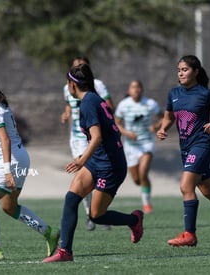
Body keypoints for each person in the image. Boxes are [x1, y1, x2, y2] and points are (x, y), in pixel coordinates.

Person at [44, 64, 144, 263]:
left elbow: (96, 137)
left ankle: (134, 219)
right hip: (99, 160)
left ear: (72, 84)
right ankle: (65, 252)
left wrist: (82, 160)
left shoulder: (88, 103)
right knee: (71, 199)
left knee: (97, 215)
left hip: (110, 166)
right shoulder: (94, 99)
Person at [0, 72, 60, 262]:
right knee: (9, 206)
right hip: (21, 158)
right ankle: (49, 233)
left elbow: (4, 139)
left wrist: (7, 170)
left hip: (11, 161)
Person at [157, 55, 210, 246]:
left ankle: (189, 235)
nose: (181, 73)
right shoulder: (173, 93)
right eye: (179, 70)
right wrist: (163, 128)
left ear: (196, 71)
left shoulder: (206, 94)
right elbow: (169, 117)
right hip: (185, 148)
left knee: (185, 187)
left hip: (202, 145)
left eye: (185, 69)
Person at [61, 56, 114, 231]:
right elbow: (69, 105)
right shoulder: (67, 87)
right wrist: (67, 113)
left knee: (95, 174)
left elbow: (108, 106)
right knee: (82, 179)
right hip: (78, 137)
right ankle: (90, 215)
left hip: (93, 135)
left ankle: (99, 213)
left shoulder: (95, 89)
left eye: (81, 66)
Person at [115, 80, 163, 214]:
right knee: (137, 179)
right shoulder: (123, 105)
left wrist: (155, 126)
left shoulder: (150, 103)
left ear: (142, 89)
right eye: (133, 87)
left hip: (146, 143)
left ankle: (147, 204)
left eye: (138, 87)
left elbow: (163, 118)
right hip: (130, 146)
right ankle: (144, 187)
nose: (136, 90)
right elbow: (116, 123)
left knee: (143, 173)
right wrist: (126, 133)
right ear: (129, 90)